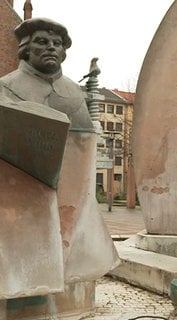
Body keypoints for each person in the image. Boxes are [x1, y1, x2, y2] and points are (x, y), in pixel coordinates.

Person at [0, 18, 119, 289]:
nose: (51, 48)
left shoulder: (74, 93)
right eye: (42, 42)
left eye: (57, 44)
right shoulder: (5, 88)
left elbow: (84, 142)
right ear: (26, 49)